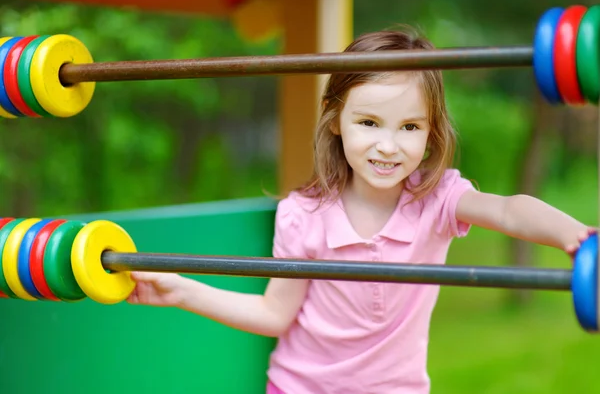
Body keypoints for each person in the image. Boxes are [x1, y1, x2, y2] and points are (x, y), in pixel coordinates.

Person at [126, 26, 593, 394]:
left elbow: (511, 210)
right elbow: (274, 314)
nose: (387, 146)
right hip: (298, 387)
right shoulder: (303, 215)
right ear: (335, 120)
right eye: (369, 123)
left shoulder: (438, 199)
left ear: (430, 133)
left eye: (409, 126)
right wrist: (183, 292)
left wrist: (579, 238)